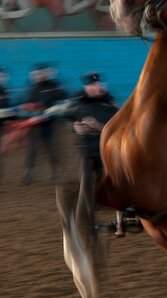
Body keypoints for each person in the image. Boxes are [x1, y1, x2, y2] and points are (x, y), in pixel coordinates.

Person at [68, 72, 119, 219]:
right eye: (90, 85)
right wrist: (74, 127)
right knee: (85, 181)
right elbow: (67, 119)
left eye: (96, 85)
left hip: (105, 150)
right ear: (85, 87)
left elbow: (116, 130)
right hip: (86, 150)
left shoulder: (110, 103)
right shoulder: (78, 102)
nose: (94, 88)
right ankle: (86, 213)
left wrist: (98, 126)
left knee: (107, 181)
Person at [22, 62, 67, 184]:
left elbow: (65, 100)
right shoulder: (33, 88)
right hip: (35, 123)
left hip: (49, 123)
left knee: (51, 148)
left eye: (43, 73)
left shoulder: (55, 86)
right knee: (33, 149)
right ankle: (29, 173)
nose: (40, 75)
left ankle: (55, 172)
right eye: (38, 73)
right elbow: (27, 103)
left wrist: (58, 109)